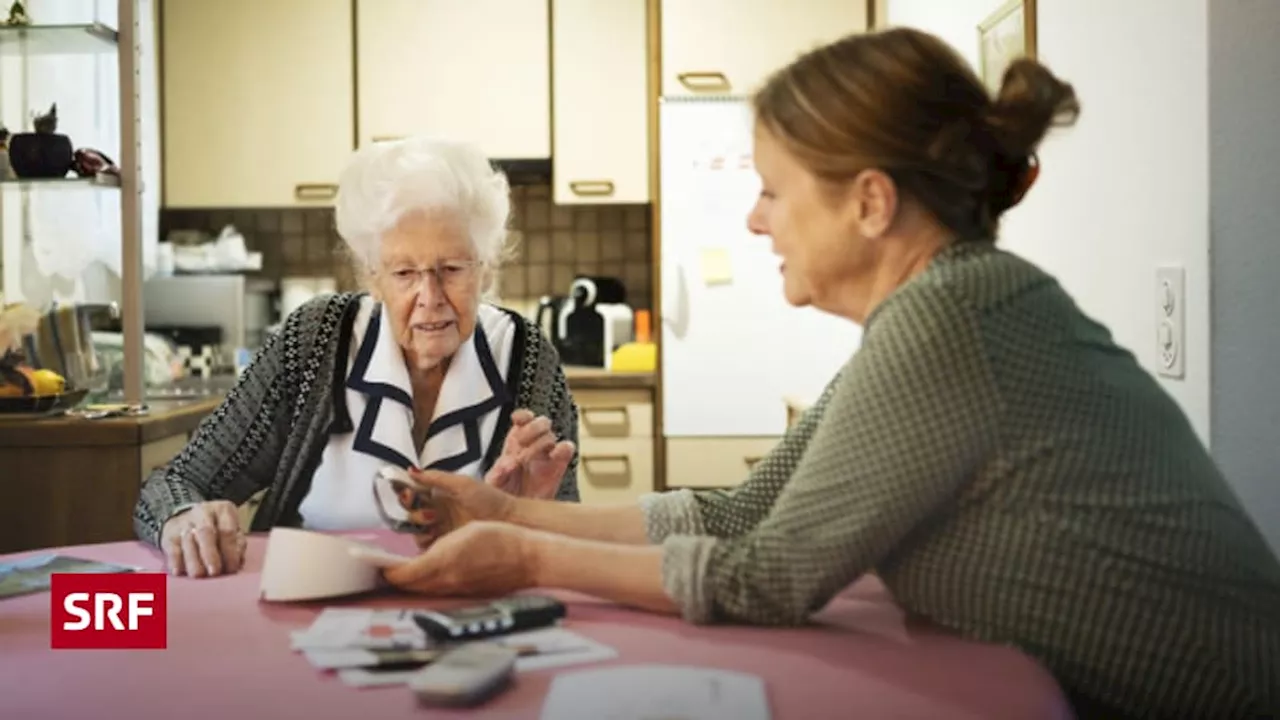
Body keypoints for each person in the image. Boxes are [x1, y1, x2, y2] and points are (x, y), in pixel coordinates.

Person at [372, 27, 1280, 720]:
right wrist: (507, 508)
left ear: (870, 202)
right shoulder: (946, 310)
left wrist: (525, 553)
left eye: (774, 188)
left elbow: (768, 575)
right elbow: (741, 512)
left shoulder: (949, 321)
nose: (757, 220)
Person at [133, 136, 581, 578]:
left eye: (452, 269)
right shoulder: (315, 341)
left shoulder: (526, 358)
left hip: (468, 620)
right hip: (306, 615)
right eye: (404, 272)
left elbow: (566, 537)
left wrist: (531, 515)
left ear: (485, 268)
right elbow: (173, 485)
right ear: (373, 277)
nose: (430, 296)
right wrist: (183, 517)